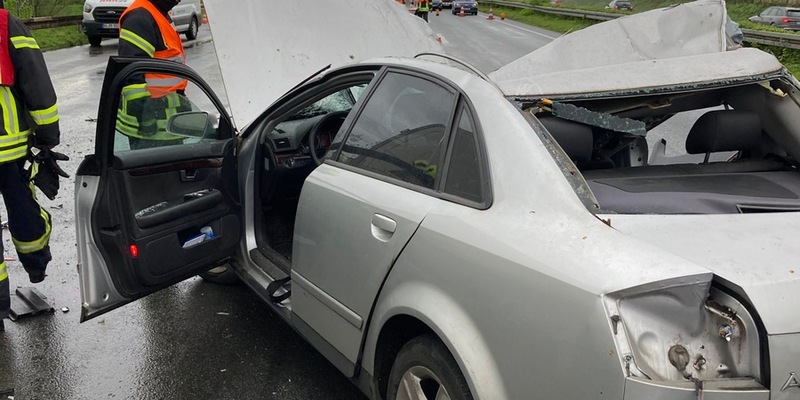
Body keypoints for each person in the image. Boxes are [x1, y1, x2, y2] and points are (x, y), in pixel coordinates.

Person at [0, 0, 65, 332]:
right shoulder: (5, 24)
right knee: (24, 211)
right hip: (8, 149)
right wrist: (47, 137)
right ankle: (36, 266)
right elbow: (35, 81)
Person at [116, 0, 191, 150]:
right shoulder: (139, 18)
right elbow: (132, 76)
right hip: (149, 130)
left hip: (166, 125)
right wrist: (146, 119)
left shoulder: (158, 13)